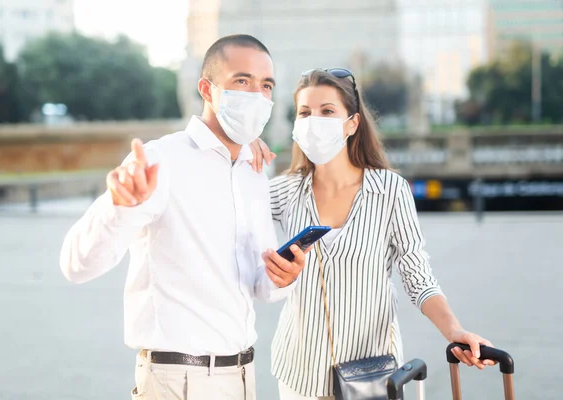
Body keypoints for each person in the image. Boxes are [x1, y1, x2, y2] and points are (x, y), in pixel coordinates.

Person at [59, 34, 308, 400]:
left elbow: (258, 285)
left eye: (266, 85)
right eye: (242, 81)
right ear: (207, 89)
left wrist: (282, 277)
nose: (257, 95)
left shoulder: (255, 171)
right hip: (177, 381)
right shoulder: (160, 161)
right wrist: (118, 207)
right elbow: (75, 266)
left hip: (242, 378)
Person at [248, 68, 496, 400]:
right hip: (299, 375)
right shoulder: (286, 191)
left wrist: (455, 331)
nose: (312, 121)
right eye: (304, 113)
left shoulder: (390, 190)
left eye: (327, 111)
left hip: (371, 375)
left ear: (352, 123)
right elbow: (226, 205)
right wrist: (243, 149)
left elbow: (417, 275)